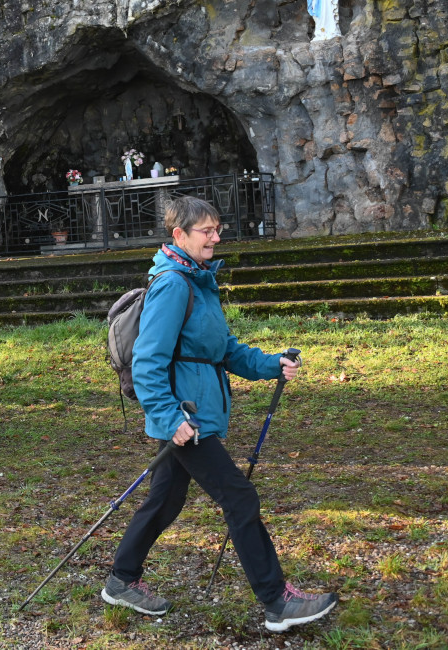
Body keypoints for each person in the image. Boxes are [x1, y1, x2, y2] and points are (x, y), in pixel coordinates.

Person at [100, 196, 335, 633]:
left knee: (166, 499)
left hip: (193, 414)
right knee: (239, 496)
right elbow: (150, 361)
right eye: (206, 230)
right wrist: (173, 419)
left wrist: (270, 364)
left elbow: (222, 349)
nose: (215, 236)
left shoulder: (199, 280)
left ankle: (121, 579)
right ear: (179, 235)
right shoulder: (174, 284)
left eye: (216, 229)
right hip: (187, 418)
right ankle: (276, 601)